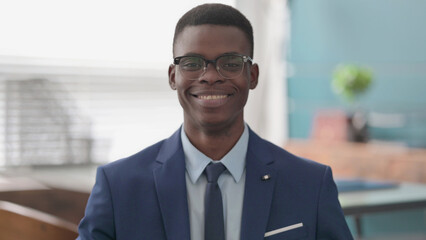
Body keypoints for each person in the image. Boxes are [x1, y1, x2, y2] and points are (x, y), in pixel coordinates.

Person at [77, 3, 353, 240]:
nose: (210, 76)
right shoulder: (118, 185)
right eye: (193, 63)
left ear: (252, 75)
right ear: (173, 76)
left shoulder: (311, 184)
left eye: (230, 63)